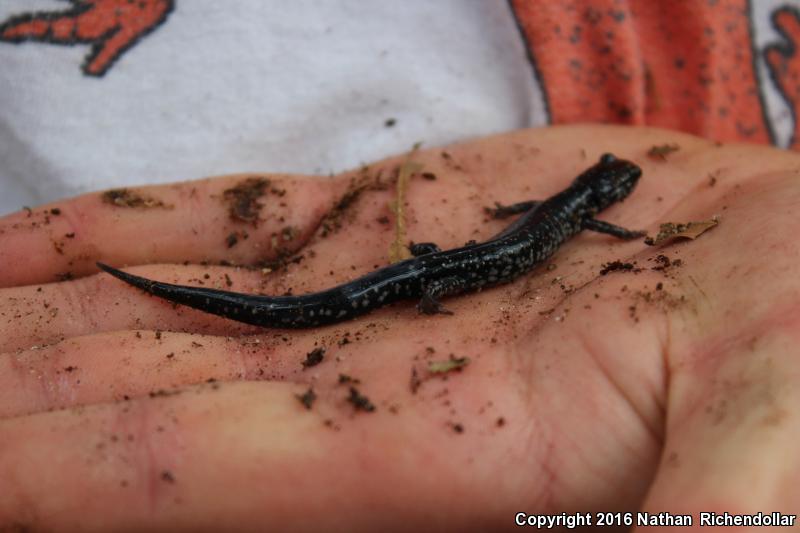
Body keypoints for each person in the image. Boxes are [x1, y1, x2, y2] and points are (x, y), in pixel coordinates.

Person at [2, 1, 800, 530]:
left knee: (389, 285)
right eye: (615, 188)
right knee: (351, 298)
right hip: (438, 274)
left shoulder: (566, 202)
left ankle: (419, 282)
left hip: (447, 268)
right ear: (602, 192)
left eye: (616, 188)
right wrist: (611, 245)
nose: (617, 194)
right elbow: (553, 227)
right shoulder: (583, 211)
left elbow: (520, 218)